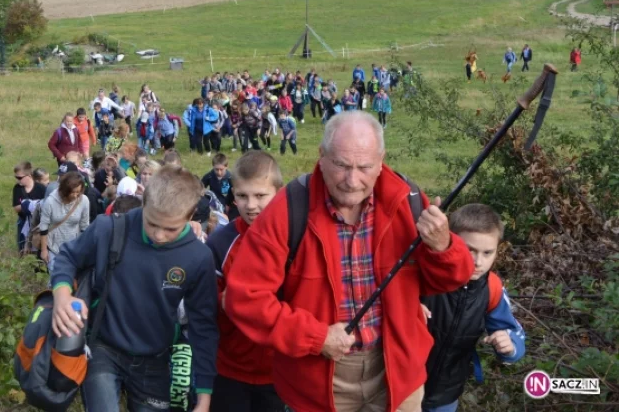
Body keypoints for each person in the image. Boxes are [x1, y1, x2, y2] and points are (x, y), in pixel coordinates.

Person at [225, 111, 474, 412]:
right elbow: (244, 299)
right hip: (318, 384)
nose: (352, 181)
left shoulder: (406, 200)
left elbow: (451, 279)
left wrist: (443, 246)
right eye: (341, 165)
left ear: (380, 161)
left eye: (365, 167)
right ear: (321, 156)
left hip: (397, 375)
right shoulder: (288, 209)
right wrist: (315, 337)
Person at [51, 166, 219, 412]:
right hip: (103, 349)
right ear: (144, 200)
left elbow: (203, 326)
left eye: (170, 229)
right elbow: (68, 257)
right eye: (151, 223)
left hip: (156, 358)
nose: (159, 235)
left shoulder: (199, 257)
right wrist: (62, 295)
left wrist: (204, 395)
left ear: (191, 214)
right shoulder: (109, 228)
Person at [420, 204, 526, 412]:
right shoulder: (425, 275)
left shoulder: (492, 288)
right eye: (470, 250)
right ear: (451, 241)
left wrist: (510, 345)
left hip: (446, 394)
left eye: (488, 253)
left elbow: (514, 333)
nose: (478, 262)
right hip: (403, 388)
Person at [206, 152, 285, 412]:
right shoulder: (220, 242)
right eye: (242, 196)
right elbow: (204, 303)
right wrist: (226, 302)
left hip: (280, 371)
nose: (251, 205)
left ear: (279, 193)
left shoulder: (296, 239)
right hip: (231, 369)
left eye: (260, 196)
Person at [38, 171, 90, 275]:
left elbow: (85, 225)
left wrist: (85, 248)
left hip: (74, 246)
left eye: (78, 192)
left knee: (73, 278)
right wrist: (44, 250)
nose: (76, 195)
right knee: (56, 278)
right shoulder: (50, 202)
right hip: (54, 246)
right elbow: (43, 227)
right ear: (65, 190)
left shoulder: (84, 201)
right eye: (73, 192)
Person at [12, 162, 47, 254]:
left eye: (20, 177)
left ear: (29, 175)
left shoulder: (41, 188)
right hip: (23, 220)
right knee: (22, 246)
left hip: (38, 222)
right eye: (16, 177)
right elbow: (16, 208)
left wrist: (29, 206)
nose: (17, 180)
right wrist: (29, 206)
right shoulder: (17, 188)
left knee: (37, 244)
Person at [203, 153, 235, 218]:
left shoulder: (231, 178)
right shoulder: (210, 176)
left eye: (221, 169)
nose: (219, 172)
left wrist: (229, 205)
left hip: (226, 205)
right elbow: (201, 187)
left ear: (226, 166)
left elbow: (235, 193)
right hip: (213, 203)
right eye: (216, 169)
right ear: (213, 166)